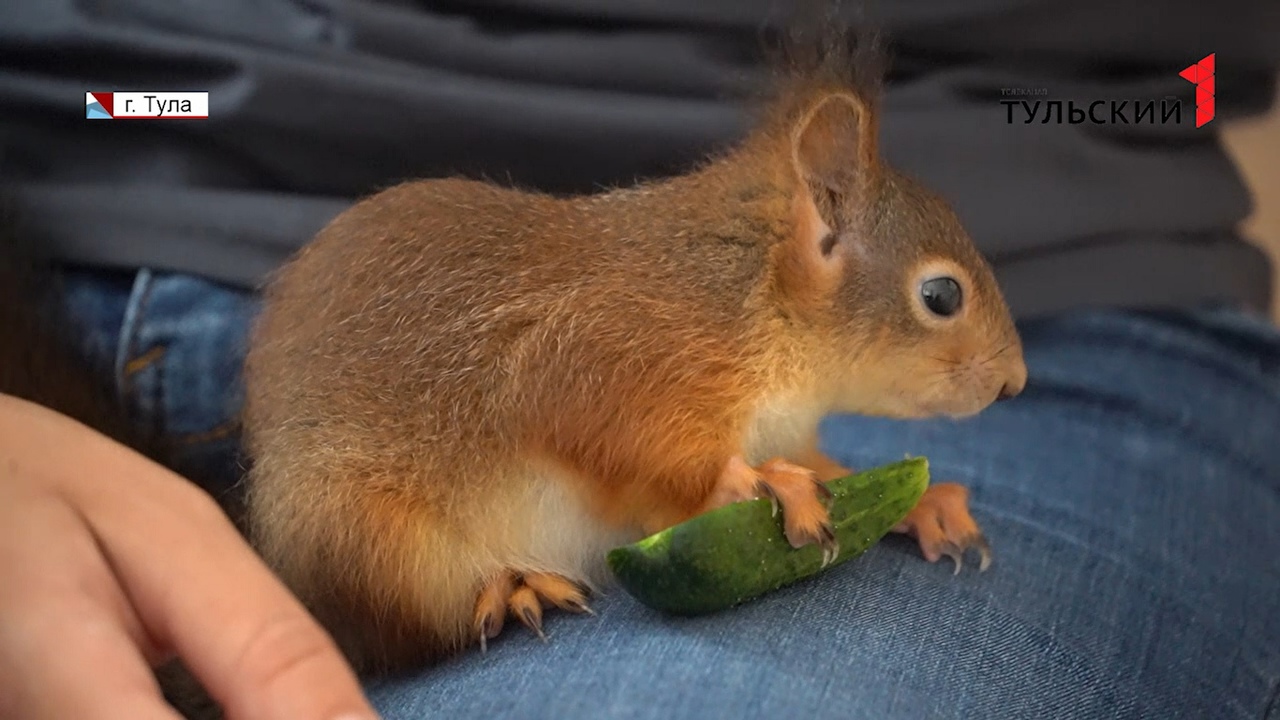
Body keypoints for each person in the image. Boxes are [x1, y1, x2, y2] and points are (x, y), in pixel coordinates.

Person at [2, 1, 1278, 718]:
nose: (990, 376)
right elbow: (600, 416)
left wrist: (839, 493)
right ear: (819, 228)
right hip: (89, 187)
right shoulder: (687, 334)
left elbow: (730, 452)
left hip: (1105, 297)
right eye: (945, 309)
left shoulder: (759, 355)